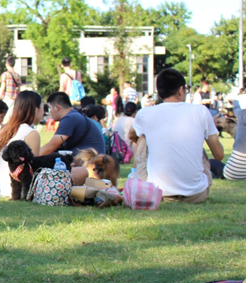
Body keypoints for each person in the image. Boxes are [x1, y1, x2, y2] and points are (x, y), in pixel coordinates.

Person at [129, 68, 223, 203]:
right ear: (180, 90)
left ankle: (139, 179)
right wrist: (211, 129)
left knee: (142, 138)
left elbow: (132, 135)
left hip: (157, 194)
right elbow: (219, 156)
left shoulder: (145, 114)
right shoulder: (201, 111)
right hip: (197, 194)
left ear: (160, 93)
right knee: (198, 146)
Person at [40, 92, 106, 157]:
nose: (49, 111)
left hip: (91, 164)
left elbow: (51, 146)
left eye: (50, 108)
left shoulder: (70, 118)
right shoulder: (74, 115)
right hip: (93, 159)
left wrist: (31, 159)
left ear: (57, 107)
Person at [223, 99, 246, 181]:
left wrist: (235, 102)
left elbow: (236, 110)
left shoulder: (243, 114)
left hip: (234, 173)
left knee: (212, 162)